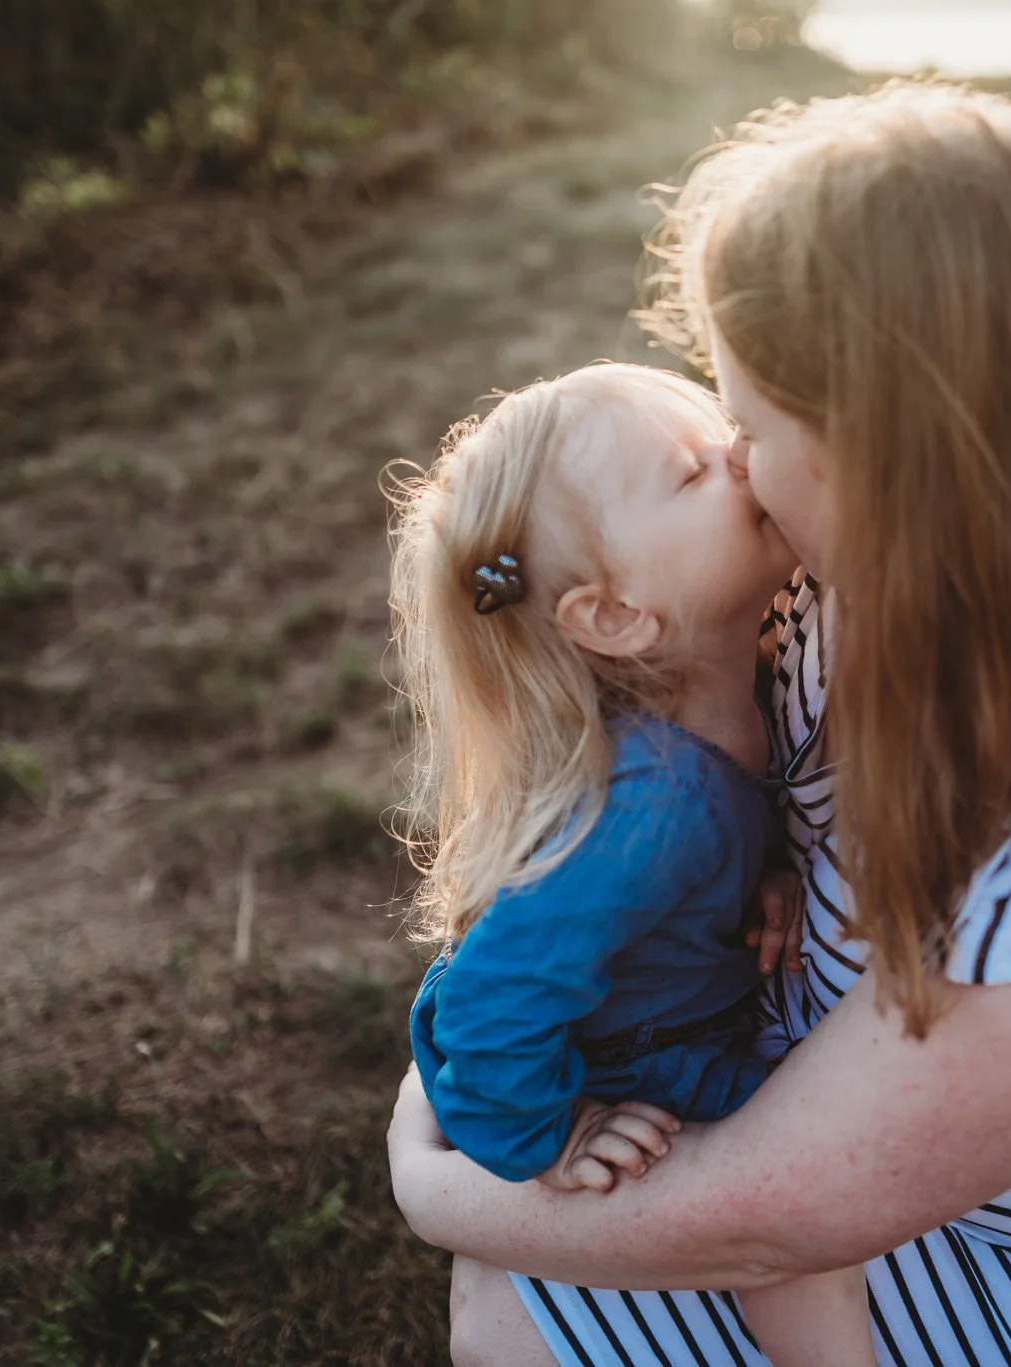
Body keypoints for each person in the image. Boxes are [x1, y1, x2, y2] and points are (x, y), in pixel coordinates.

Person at [388, 81, 1011, 1366]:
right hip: (834, 1105)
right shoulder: (830, 572)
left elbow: (785, 1213)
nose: (735, 462)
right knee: (535, 1280)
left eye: (746, 427)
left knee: (520, 1299)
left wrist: (434, 1179)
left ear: (883, 448)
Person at [387, 362, 874, 1367]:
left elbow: (707, 854)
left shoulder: (742, 679)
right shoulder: (655, 803)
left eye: (722, 434)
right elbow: (485, 1001)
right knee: (805, 1230)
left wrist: (765, 875)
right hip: (641, 1062)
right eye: (693, 473)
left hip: (668, 1009)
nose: (739, 457)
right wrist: (551, 1134)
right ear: (614, 616)